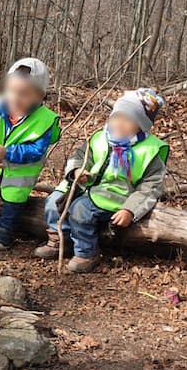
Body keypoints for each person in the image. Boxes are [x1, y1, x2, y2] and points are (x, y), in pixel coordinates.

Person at [35, 88, 169, 272]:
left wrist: (130, 209)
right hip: (83, 185)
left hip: (116, 194)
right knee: (52, 202)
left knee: (81, 210)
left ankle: (86, 252)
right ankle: (61, 239)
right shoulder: (101, 137)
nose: (119, 124)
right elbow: (81, 155)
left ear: (141, 125)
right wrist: (75, 171)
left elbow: (151, 187)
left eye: (128, 120)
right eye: (116, 117)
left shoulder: (149, 151)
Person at [0, 58, 60, 250]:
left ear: (40, 96)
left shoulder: (45, 120)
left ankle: (5, 232)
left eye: (24, 94)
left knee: (13, 202)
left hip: (19, 175)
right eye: (11, 91)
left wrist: (8, 152)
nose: (15, 98)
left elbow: (36, 151)